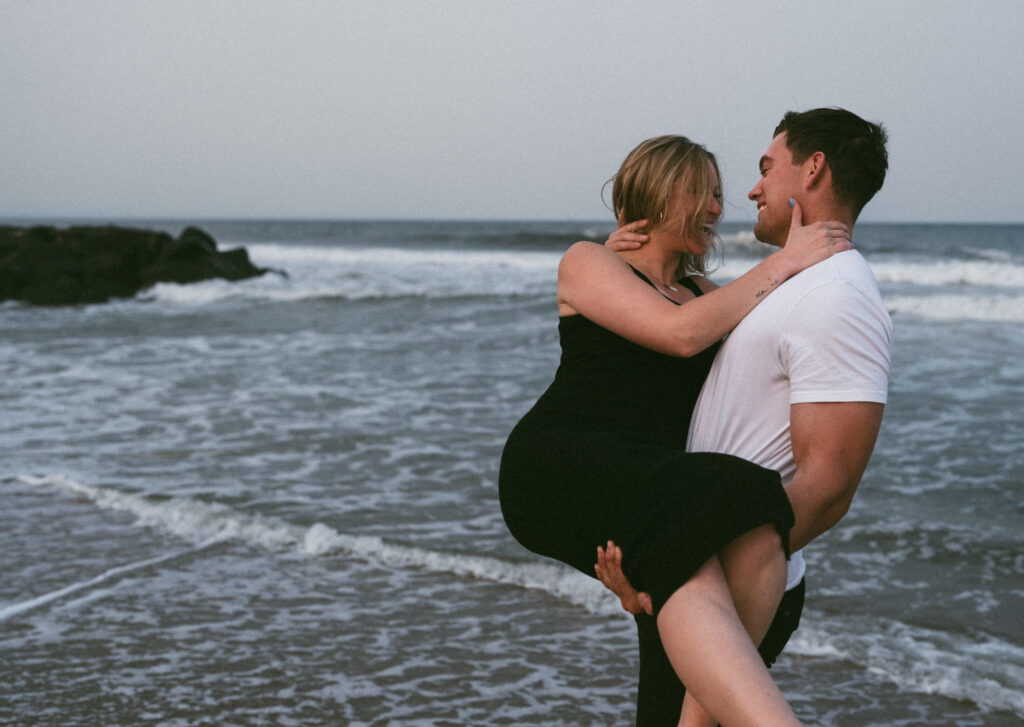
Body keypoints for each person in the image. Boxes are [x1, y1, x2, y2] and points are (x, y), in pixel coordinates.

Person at [498, 133, 853, 727]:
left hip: (640, 487)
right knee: (744, 491)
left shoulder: (702, 295)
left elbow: (774, 330)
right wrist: (787, 257)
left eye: (719, 195)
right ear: (660, 192)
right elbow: (679, 334)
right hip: (557, 462)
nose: (718, 208)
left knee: (716, 548)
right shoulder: (589, 261)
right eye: (702, 193)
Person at [596, 107, 893, 726]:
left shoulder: (837, 294)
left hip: (731, 581)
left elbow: (829, 485)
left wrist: (711, 568)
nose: (751, 190)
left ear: (813, 169)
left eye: (765, 169)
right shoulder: (786, 283)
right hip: (694, 567)